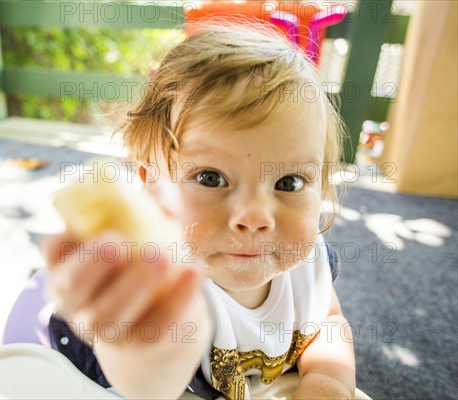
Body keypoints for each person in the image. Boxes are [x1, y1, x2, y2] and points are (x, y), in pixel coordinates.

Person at [42, 23, 356, 400]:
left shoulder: (308, 265)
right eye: (210, 177)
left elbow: (326, 321)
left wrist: (328, 380)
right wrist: (140, 341)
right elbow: (155, 378)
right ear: (150, 184)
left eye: (288, 182)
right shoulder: (169, 285)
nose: (255, 215)